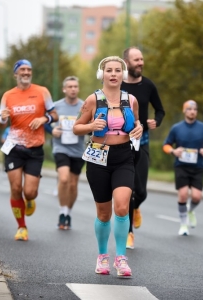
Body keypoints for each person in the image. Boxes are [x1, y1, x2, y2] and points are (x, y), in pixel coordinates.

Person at [73, 56, 143, 277]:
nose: (113, 74)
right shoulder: (92, 100)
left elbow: (137, 122)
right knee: (103, 214)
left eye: (117, 70)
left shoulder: (131, 99)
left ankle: (121, 258)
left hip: (124, 157)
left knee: (122, 207)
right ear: (101, 74)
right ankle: (102, 256)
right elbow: (76, 128)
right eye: (108, 70)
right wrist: (92, 125)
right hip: (98, 157)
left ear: (122, 74)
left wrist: (139, 128)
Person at [0, 59, 58, 241]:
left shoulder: (42, 91)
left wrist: (44, 119)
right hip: (14, 147)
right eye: (22, 69)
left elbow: (55, 114)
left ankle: (29, 199)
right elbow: (0, 124)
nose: (26, 72)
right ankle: (21, 226)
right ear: (15, 73)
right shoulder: (8, 96)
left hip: (34, 149)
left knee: (29, 192)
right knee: (16, 188)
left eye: (29, 69)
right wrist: (2, 120)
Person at [121, 47, 165, 249]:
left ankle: (137, 207)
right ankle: (129, 233)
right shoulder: (118, 85)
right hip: (121, 142)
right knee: (128, 190)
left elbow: (160, 110)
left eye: (142, 59)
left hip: (142, 140)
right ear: (126, 62)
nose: (141, 63)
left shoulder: (148, 85)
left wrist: (156, 121)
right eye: (136, 59)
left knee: (141, 191)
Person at [162, 100, 203, 236]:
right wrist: (173, 151)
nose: (193, 111)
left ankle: (191, 210)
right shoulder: (176, 128)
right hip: (181, 166)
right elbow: (166, 145)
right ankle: (183, 224)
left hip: (198, 166)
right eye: (190, 109)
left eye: (195, 109)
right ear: (184, 111)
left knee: (197, 197)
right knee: (183, 194)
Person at [45, 76, 85, 230]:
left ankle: (68, 212)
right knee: (63, 179)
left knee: (73, 185)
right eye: (70, 86)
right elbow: (44, 122)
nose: (73, 89)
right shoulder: (56, 106)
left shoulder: (84, 107)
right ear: (64, 89)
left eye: (75, 86)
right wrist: (52, 130)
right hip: (60, 148)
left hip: (78, 149)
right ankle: (62, 211)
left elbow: (91, 124)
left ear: (78, 88)